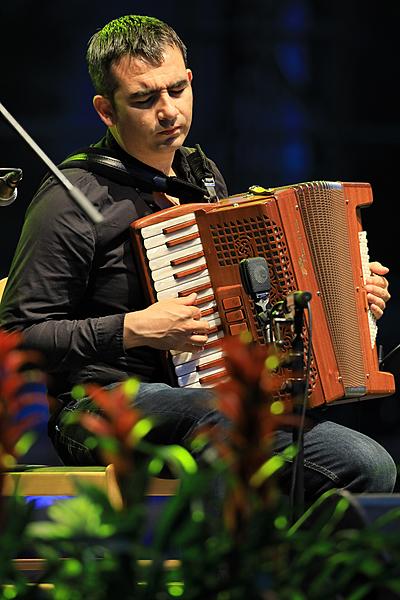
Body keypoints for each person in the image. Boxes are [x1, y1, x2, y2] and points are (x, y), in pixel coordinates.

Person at [0, 14, 396, 503]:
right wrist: (133, 328)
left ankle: (256, 566)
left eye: (175, 91)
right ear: (106, 110)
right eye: (144, 99)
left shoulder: (201, 176)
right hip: (100, 407)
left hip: (202, 400)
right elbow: (16, 335)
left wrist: (348, 301)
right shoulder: (71, 197)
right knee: (348, 459)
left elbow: (247, 307)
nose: (168, 112)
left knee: (336, 451)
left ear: (190, 81)